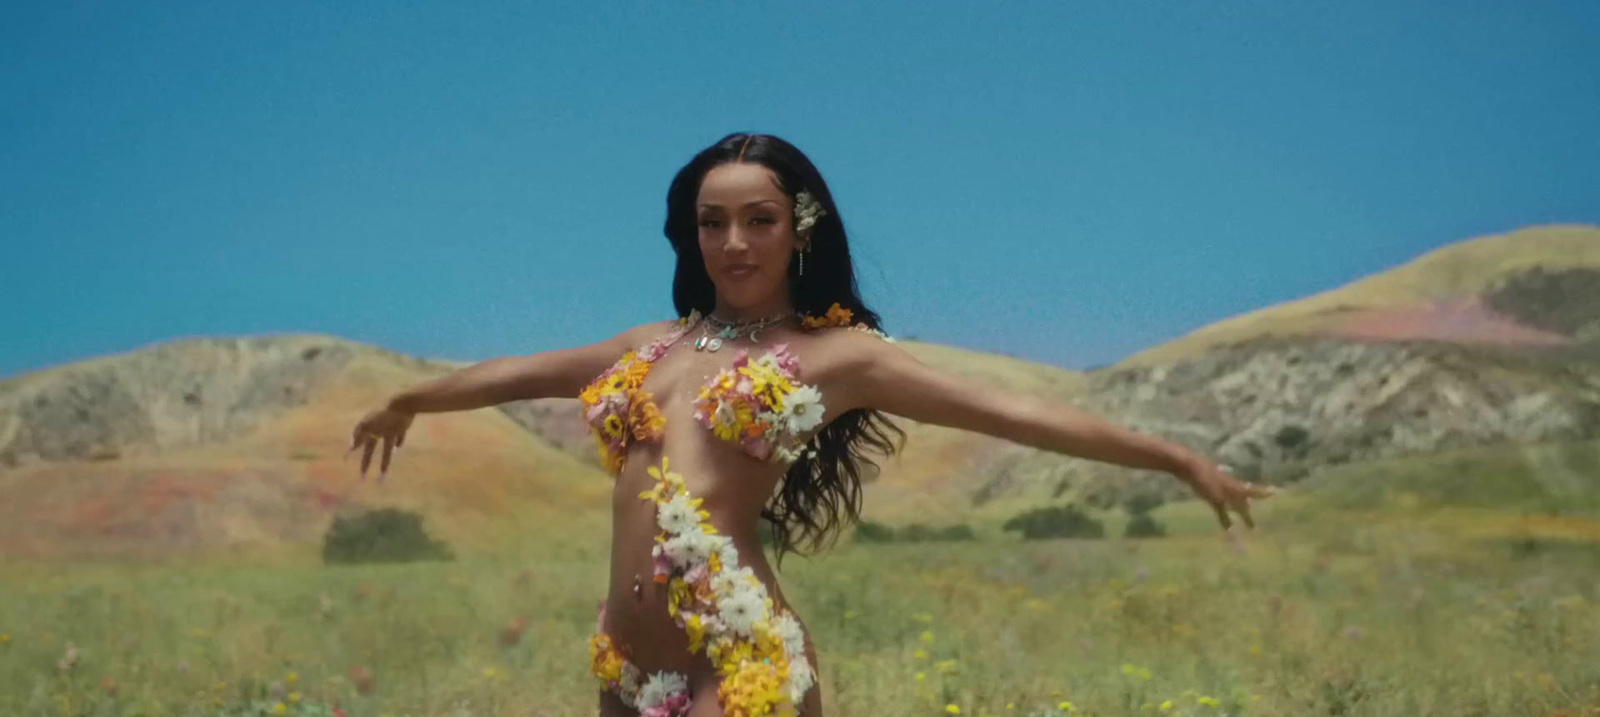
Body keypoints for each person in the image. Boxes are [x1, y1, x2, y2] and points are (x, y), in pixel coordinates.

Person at [348, 132, 1275, 717]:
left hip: (739, 665)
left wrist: (1174, 457)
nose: (735, 242)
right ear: (691, 235)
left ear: (801, 228)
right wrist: (411, 401)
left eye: (759, 219)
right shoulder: (650, 346)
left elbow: (1015, 413)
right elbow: (521, 370)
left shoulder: (839, 357)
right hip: (628, 672)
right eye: (713, 223)